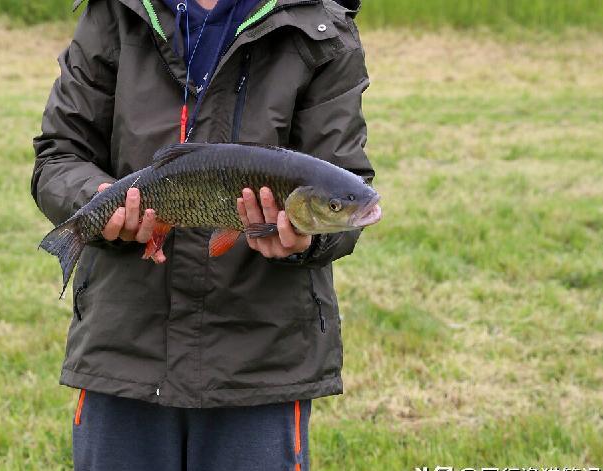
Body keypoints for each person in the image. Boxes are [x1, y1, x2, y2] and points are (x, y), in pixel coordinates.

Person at [31, 0, 374, 468]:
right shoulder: (115, 11)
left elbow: (346, 187)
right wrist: (101, 200)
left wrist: (307, 240)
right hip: (123, 346)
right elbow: (59, 155)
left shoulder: (319, 24)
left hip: (262, 362)